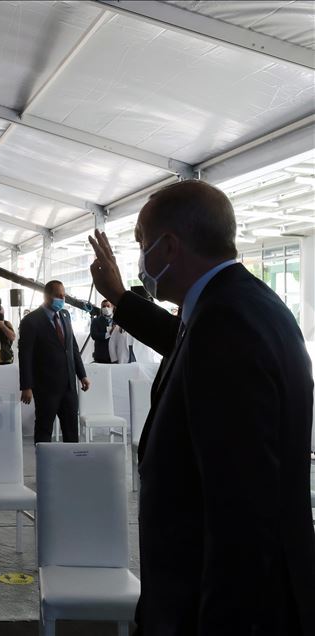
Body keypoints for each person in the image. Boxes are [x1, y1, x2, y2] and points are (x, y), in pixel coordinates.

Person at [87, 180, 315, 635]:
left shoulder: (227, 323)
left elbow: (241, 511)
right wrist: (122, 298)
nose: (140, 258)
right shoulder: (236, 303)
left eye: (142, 244)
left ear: (169, 247)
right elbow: (184, 346)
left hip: (221, 607)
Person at [18, 281, 90, 443]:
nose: (62, 299)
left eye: (63, 296)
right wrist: (26, 386)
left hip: (69, 386)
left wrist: (82, 375)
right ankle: (44, 460)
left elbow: (72, 347)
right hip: (46, 387)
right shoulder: (31, 320)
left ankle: (71, 459)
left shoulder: (65, 315)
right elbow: (25, 355)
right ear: (46, 296)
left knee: (71, 431)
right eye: (58, 296)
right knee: (44, 430)